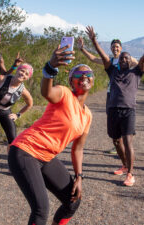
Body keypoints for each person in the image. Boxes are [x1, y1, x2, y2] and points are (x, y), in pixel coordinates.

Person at [8, 44, 93, 225]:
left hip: (46, 157)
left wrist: (79, 177)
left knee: (73, 200)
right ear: (71, 82)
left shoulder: (87, 115)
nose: (84, 77)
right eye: (78, 75)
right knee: (41, 210)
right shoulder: (63, 93)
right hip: (25, 151)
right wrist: (50, 68)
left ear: (92, 81)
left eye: (88, 75)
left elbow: (78, 149)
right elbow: (46, 91)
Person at [85, 25, 144, 186]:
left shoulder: (136, 72)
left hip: (128, 111)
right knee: (116, 141)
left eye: (127, 57)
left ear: (131, 60)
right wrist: (94, 40)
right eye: (122, 58)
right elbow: (102, 57)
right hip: (112, 110)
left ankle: (130, 174)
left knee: (127, 141)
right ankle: (124, 165)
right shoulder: (112, 71)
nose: (124, 59)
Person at [78, 34, 138, 155]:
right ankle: (118, 145)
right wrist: (82, 49)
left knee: (126, 121)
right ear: (110, 49)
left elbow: (137, 67)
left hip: (125, 96)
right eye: (113, 47)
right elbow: (93, 59)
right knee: (113, 119)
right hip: (111, 94)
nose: (115, 48)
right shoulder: (109, 61)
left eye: (117, 46)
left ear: (121, 48)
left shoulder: (128, 60)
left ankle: (126, 146)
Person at [0, 63, 33, 150]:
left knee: (13, 140)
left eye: (26, 74)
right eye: (22, 70)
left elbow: (30, 104)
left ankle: (11, 161)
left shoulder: (23, 90)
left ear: (27, 78)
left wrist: (18, 115)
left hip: (4, 111)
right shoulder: (2, 79)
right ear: (17, 70)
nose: (23, 74)